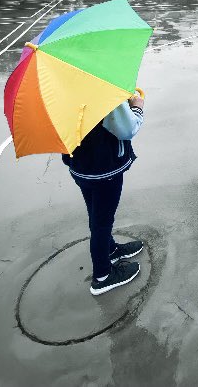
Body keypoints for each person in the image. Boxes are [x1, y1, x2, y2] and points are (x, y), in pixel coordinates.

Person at [62, 92, 145, 296]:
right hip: (104, 169)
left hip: (80, 165)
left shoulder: (61, 86)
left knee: (96, 214)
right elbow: (127, 128)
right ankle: (103, 276)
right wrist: (137, 107)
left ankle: (110, 249)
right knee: (102, 222)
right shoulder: (101, 87)